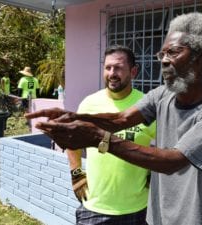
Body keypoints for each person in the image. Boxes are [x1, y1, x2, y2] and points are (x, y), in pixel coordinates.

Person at [25, 12, 202, 225]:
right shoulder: (162, 95)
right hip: (158, 219)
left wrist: (100, 138)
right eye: (161, 53)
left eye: (172, 52)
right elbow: (120, 120)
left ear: (199, 59)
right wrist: (74, 116)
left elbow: (173, 162)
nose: (163, 60)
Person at [67, 45, 156, 225]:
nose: (112, 73)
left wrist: (153, 174)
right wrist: (76, 173)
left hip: (138, 208)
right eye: (108, 68)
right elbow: (72, 141)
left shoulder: (147, 106)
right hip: (94, 207)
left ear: (133, 71)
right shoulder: (89, 104)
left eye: (118, 68)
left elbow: (167, 144)